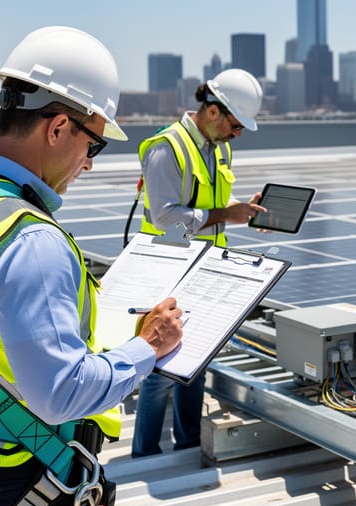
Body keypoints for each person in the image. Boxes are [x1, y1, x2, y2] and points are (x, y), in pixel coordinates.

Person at [0, 26, 186, 506]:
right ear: (57, 129)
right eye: (93, 145)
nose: (89, 164)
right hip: (28, 474)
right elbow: (61, 394)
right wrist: (149, 345)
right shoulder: (32, 240)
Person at [131, 68, 265, 457]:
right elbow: (166, 218)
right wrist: (225, 214)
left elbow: (213, 202)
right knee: (160, 370)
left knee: (195, 362)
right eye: (236, 125)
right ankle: (145, 453)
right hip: (169, 270)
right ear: (213, 111)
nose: (237, 134)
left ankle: (188, 441)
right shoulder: (167, 147)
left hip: (207, 269)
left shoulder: (220, 147)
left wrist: (243, 210)